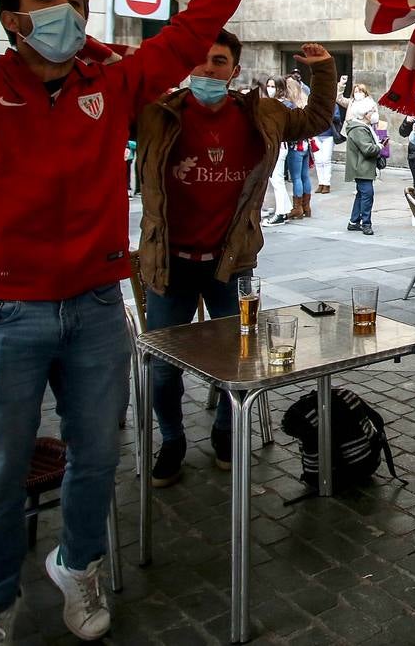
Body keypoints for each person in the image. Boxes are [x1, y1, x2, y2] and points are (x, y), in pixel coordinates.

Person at [0, 0, 271, 644]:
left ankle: (80, 562)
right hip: (1, 311)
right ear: (12, 19)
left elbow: (187, 37)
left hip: (95, 307)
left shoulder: (115, 85)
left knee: (97, 456)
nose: (64, 9)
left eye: (75, 0)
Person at [137, 33, 335, 486]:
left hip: (231, 261)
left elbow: (317, 118)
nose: (208, 69)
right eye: (201, 60)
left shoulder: (261, 114)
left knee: (240, 358)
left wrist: (322, 70)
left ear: (234, 71)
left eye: (219, 61)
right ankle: (172, 440)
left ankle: (227, 433)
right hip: (170, 262)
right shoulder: (157, 112)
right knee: (163, 367)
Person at [344, 106, 382, 235]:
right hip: (361, 167)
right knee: (367, 195)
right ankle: (366, 223)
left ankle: (354, 222)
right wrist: (379, 147)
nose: (374, 113)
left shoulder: (362, 128)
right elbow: (368, 149)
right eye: (372, 111)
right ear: (365, 114)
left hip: (362, 166)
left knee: (361, 194)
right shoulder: (359, 129)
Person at [261, 77, 294, 226]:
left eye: (273, 86)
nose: (270, 88)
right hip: (272, 144)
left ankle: (281, 213)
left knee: (277, 179)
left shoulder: (285, 105)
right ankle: (284, 210)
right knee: (276, 179)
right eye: (268, 85)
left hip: (279, 146)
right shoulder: (269, 103)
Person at [282, 75, 314, 220]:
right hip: (307, 144)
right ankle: (307, 207)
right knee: (305, 176)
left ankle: (298, 208)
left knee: (296, 178)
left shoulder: (289, 105)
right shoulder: (305, 102)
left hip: (296, 145)